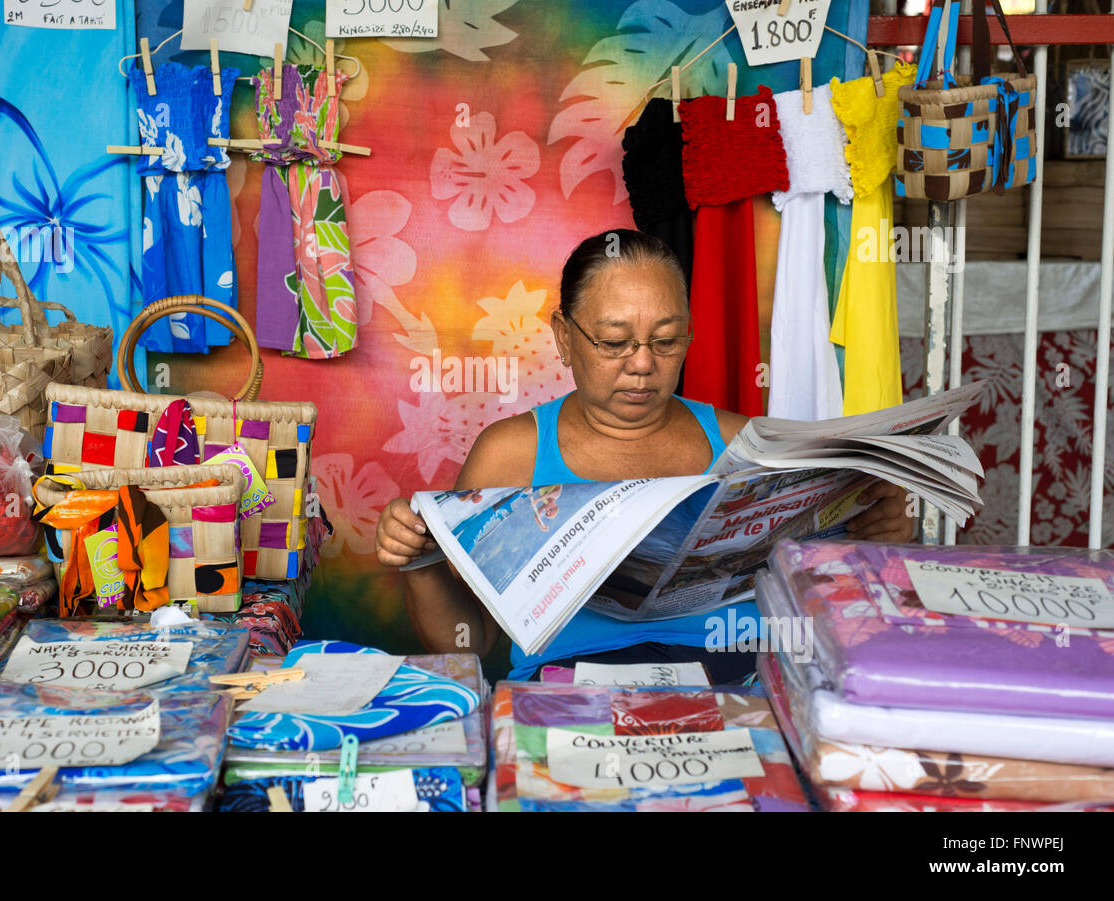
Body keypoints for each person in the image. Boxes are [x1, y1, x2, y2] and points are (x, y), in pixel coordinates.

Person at [375, 229, 915, 682]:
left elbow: (827, 603)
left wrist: (880, 536)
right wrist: (422, 565)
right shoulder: (512, 453)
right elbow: (467, 643)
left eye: (666, 340)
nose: (641, 364)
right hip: (571, 698)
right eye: (614, 342)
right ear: (563, 337)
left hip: (737, 687)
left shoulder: (746, 444)